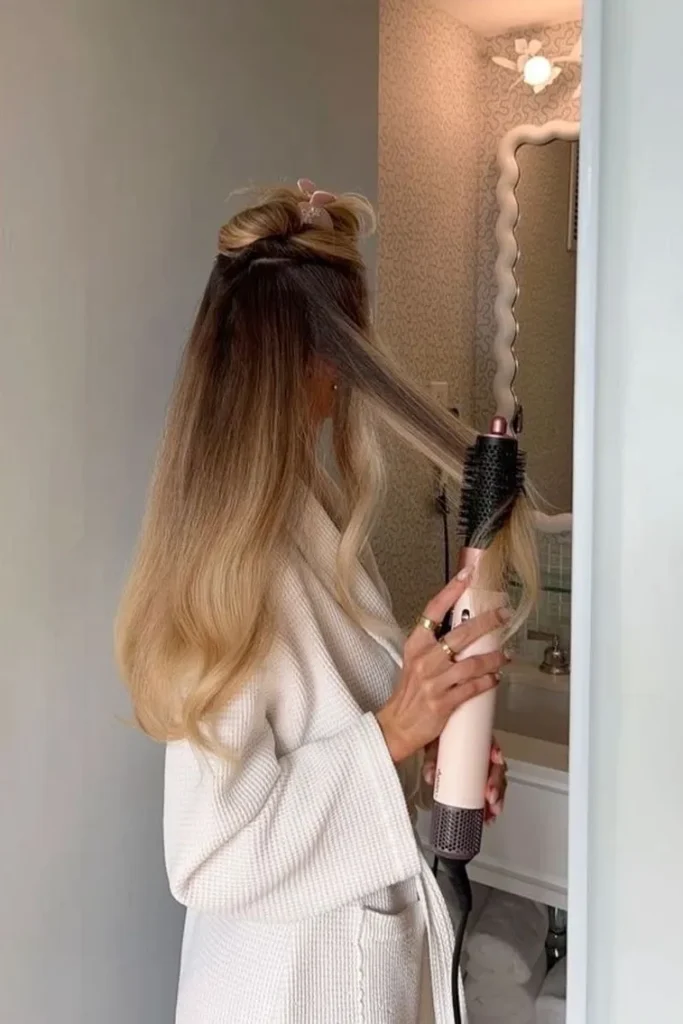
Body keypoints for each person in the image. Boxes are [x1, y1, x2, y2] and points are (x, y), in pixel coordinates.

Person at [116, 181, 535, 1023]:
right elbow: (209, 855)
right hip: (286, 993)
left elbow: (316, 737)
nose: (347, 374)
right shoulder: (236, 561)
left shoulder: (306, 516)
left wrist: (424, 747)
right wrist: (392, 733)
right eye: (345, 342)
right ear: (311, 355)